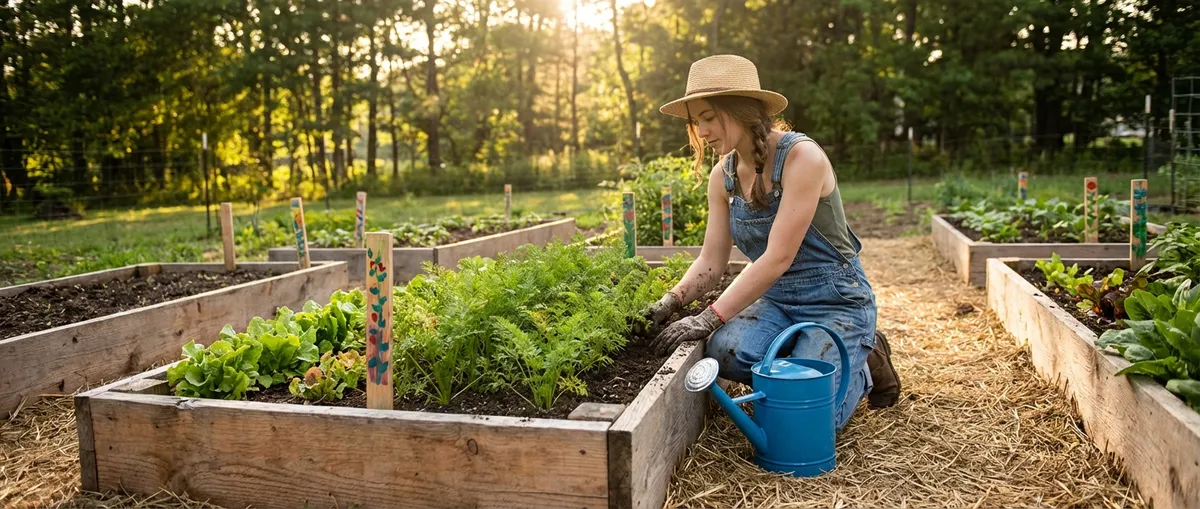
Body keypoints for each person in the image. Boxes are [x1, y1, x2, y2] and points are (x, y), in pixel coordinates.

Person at [639, 54, 901, 430]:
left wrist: (710, 316)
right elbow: (712, 261)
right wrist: (672, 300)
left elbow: (777, 258)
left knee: (807, 424)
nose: (703, 131)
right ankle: (816, 357)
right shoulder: (723, 177)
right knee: (722, 351)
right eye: (697, 122)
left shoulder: (802, 158)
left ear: (742, 110)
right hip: (779, 303)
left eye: (710, 117)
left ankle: (866, 364)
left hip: (836, 302)